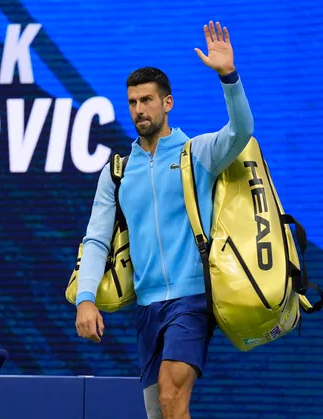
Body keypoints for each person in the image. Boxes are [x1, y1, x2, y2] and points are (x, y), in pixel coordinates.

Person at [74, 21, 254, 419]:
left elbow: (242, 130)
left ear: (167, 103)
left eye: (147, 101)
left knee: (173, 398)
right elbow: (96, 240)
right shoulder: (117, 171)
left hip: (191, 300)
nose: (139, 109)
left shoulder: (197, 153)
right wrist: (85, 299)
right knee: (160, 412)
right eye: (133, 102)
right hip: (147, 307)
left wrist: (228, 76)